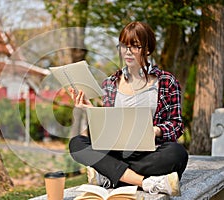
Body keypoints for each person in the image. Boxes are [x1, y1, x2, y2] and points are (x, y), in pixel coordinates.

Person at [68, 21, 188, 196]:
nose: (128, 51)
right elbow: (107, 128)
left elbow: (177, 125)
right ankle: (146, 182)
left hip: (150, 153)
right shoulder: (110, 83)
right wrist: (91, 110)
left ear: (147, 49)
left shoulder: (166, 81)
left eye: (135, 46)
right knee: (77, 144)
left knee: (177, 154)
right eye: (124, 46)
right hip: (118, 152)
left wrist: (153, 131)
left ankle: (109, 175)